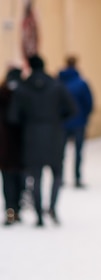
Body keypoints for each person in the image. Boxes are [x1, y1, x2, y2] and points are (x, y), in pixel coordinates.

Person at [8, 55, 76, 227]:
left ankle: (39, 215)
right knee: (57, 174)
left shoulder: (22, 88)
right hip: (55, 134)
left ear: (29, 66)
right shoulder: (56, 85)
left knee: (35, 177)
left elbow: (13, 116)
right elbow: (73, 109)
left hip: (31, 136)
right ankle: (52, 208)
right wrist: (57, 119)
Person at [58, 55, 94, 188]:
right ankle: (77, 178)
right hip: (79, 122)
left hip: (61, 123)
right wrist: (84, 117)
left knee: (60, 152)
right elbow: (89, 102)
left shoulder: (59, 82)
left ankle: (60, 177)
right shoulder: (81, 83)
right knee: (78, 152)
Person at [0, 66, 25, 225]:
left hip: (4, 146)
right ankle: (17, 208)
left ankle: (10, 210)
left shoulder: (2, 93)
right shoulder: (25, 94)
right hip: (22, 145)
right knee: (20, 178)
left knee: (7, 179)